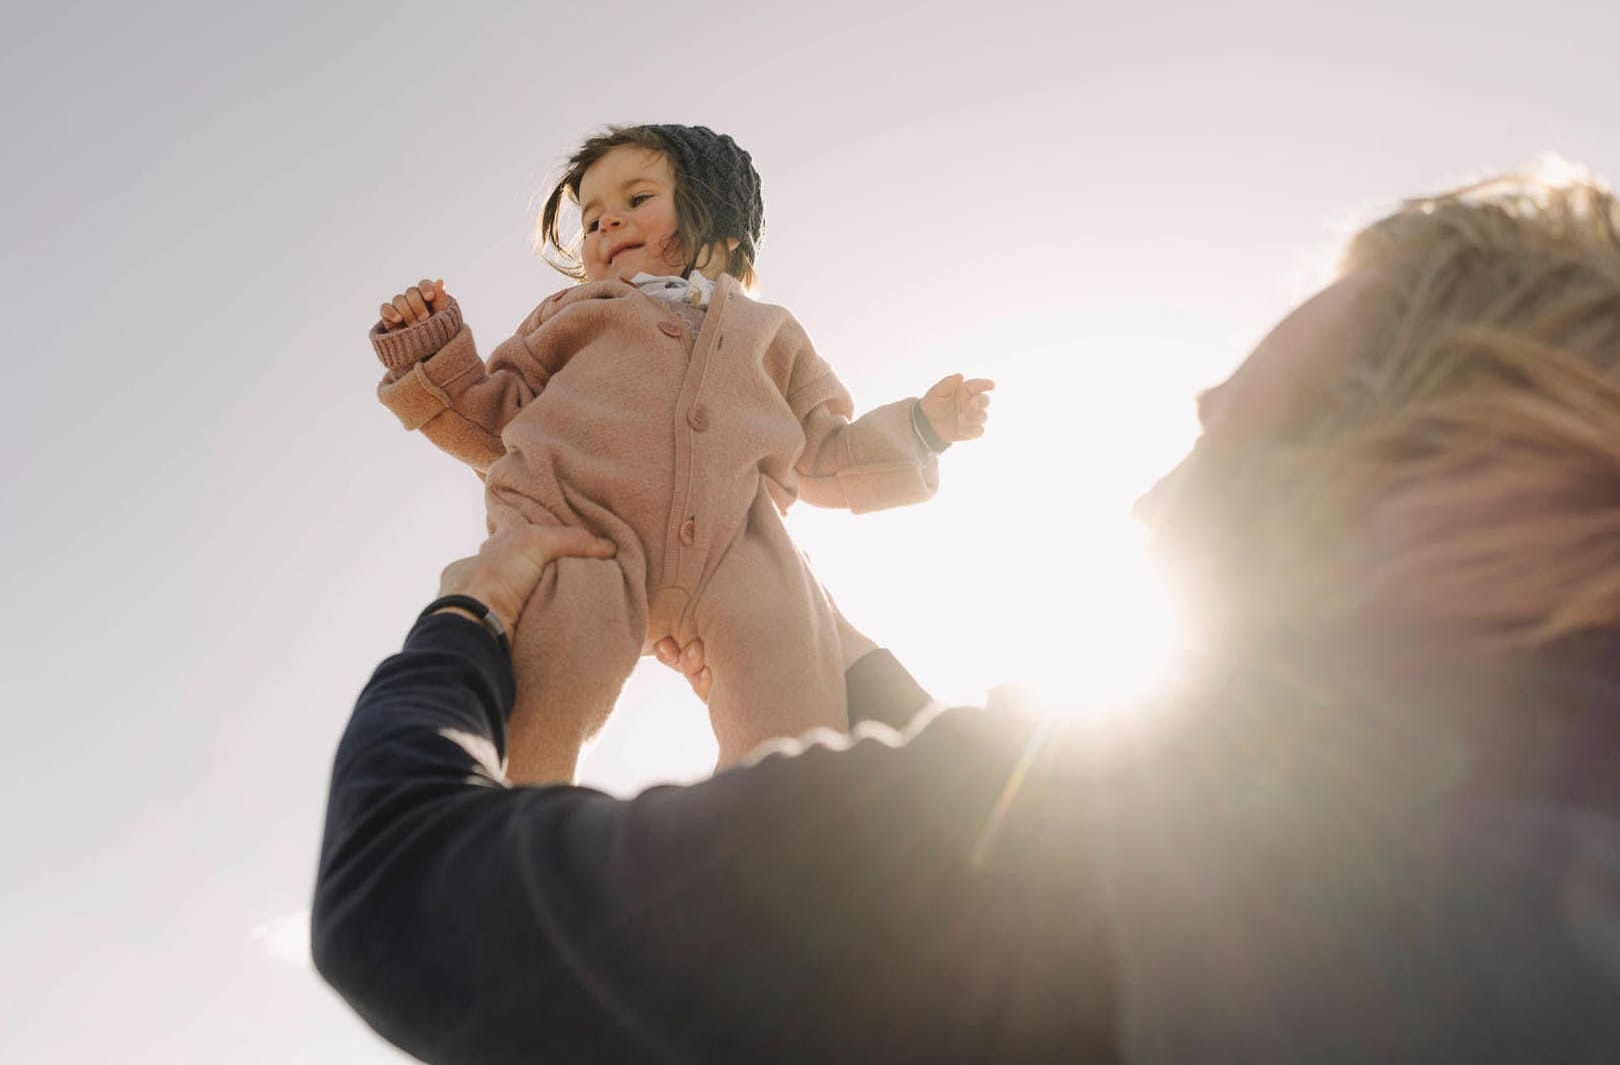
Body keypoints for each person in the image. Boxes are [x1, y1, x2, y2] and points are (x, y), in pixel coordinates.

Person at [317, 167, 1620, 1062]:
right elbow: (493, 421)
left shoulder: (1142, 827)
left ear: (1472, 476)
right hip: (656, 575)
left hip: (618, 623)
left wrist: (463, 633)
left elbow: (400, 887)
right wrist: (861, 667)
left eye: (1226, 437)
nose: (1153, 505)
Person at [365, 123, 994, 782]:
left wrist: (921, 429)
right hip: (581, 532)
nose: (607, 222)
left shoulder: (771, 334)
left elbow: (825, 452)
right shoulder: (570, 315)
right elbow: (498, 425)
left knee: (797, 703)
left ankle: (790, 841)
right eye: (592, 216)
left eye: (636, 200)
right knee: (545, 684)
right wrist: (430, 350)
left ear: (721, 228)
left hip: (741, 548)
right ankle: (514, 832)